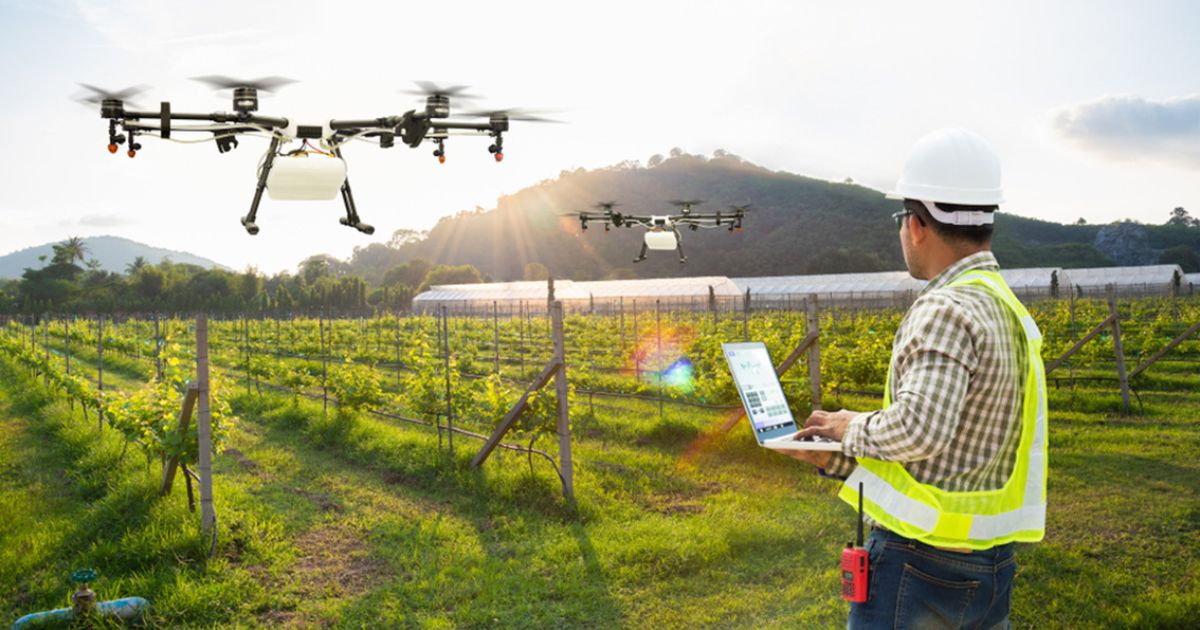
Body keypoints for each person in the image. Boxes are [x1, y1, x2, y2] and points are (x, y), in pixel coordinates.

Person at [788, 128, 1047, 629]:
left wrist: (846, 426)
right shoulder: (1005, 308)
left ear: (917, 224)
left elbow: (919, 431)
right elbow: (953, 461)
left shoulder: (946, 308)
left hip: (921, 569)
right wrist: (838, 461)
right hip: (991, 564)